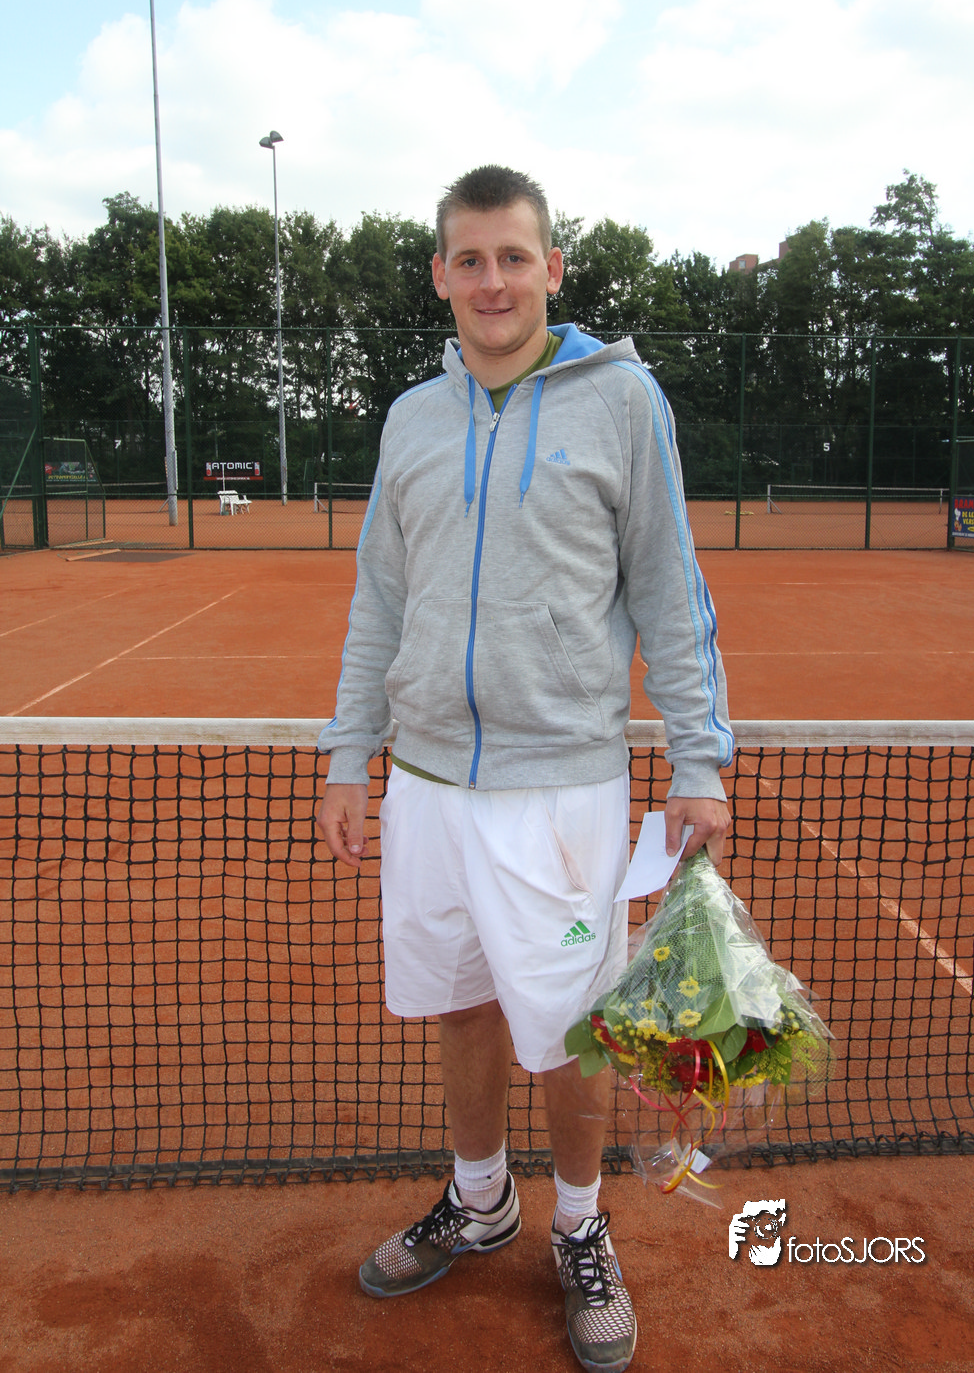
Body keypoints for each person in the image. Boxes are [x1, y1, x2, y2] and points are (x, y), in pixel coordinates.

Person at [317, 164, 733, 1373]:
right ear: (439, 274)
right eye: (468, 259)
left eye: (512, 257)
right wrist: (349, 754)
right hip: (426, 784)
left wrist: (698, 756)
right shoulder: (412, 417)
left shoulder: (622, 400)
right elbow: (378, 599)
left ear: (551, 267)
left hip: (560, 787)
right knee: (459, 1002)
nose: (490, 280)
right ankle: (480, 1196)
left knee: (568, 1029)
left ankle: (579, 1221)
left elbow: (666, 585)